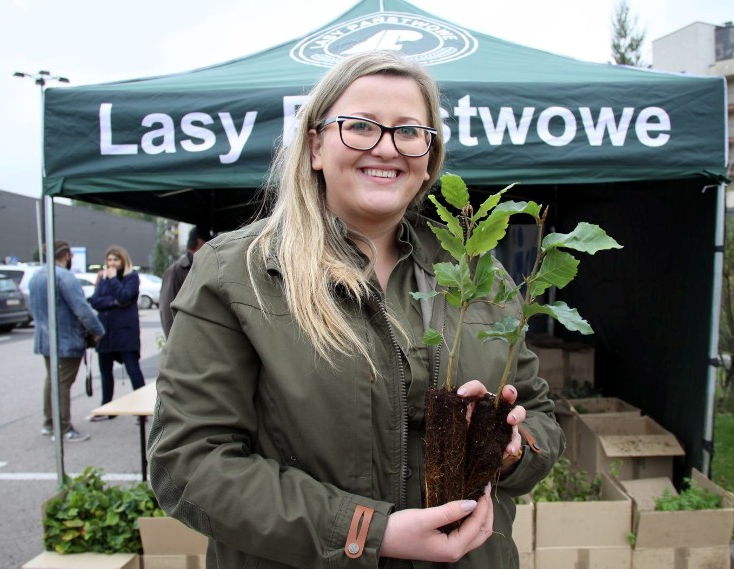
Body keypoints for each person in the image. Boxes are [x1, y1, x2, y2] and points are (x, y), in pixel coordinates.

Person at [148, 51, 564, 568]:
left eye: (410, 131)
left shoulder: (477, 274)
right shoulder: (240, 273)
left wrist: (512, 447)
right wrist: (370, 533)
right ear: (315, 145)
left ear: (430, 158)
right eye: (360, 126)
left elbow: (542, 416)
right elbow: (188, 466)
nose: (386, 147)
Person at [29, 240, 105, 443]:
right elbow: (82, 309)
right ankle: (63, 427)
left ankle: (49, 423)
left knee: (51, 380)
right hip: (66, 340)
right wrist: (97, 331)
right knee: (62, 383)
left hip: (45, 340)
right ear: (67, 255)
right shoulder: (64, 277)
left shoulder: (36, 277)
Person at [89, 245, 145, 416]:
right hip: (106, 333)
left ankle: (143, 407)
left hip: (125, 332)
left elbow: (125, 296)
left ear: (123, 260)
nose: (112, 263)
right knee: (105, 372)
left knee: (133, 370)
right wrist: (113, 302)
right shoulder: (103, 278)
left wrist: (113, 281)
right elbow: (95, 301)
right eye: (109, 260)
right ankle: (107, 407)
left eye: (115, 259)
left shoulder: (132, 277)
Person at [159, 225, 212, 337]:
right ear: (197, 243)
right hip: (185, 337)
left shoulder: (208, 265)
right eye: (207, 243)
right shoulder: (175, 271)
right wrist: (172, 342)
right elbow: (167, 311)